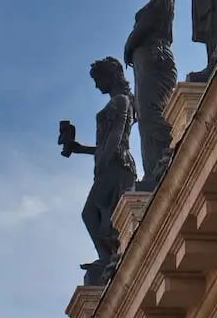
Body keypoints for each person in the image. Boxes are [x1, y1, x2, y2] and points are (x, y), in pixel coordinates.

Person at [58, 57, 137, 285]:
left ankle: (109, 257)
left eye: (97, 79)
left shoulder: (122, 101)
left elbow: (116, 138)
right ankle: (108, 257)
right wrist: (79, 148)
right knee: (97, 214)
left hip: (116, 167)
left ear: (108, 76)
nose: (96, 85)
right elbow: (105, 145)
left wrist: (103, 162)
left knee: (94, 214)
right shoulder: (118, 102)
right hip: (109, 165)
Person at [124, 0, 177, 188]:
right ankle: (154, 168)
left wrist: (129, 45)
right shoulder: (159, 0)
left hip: (156, 58)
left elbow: (143, 29)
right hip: (147, 62)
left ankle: (174, 146)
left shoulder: (163, 0)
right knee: (145, 116)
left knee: (151, 112)